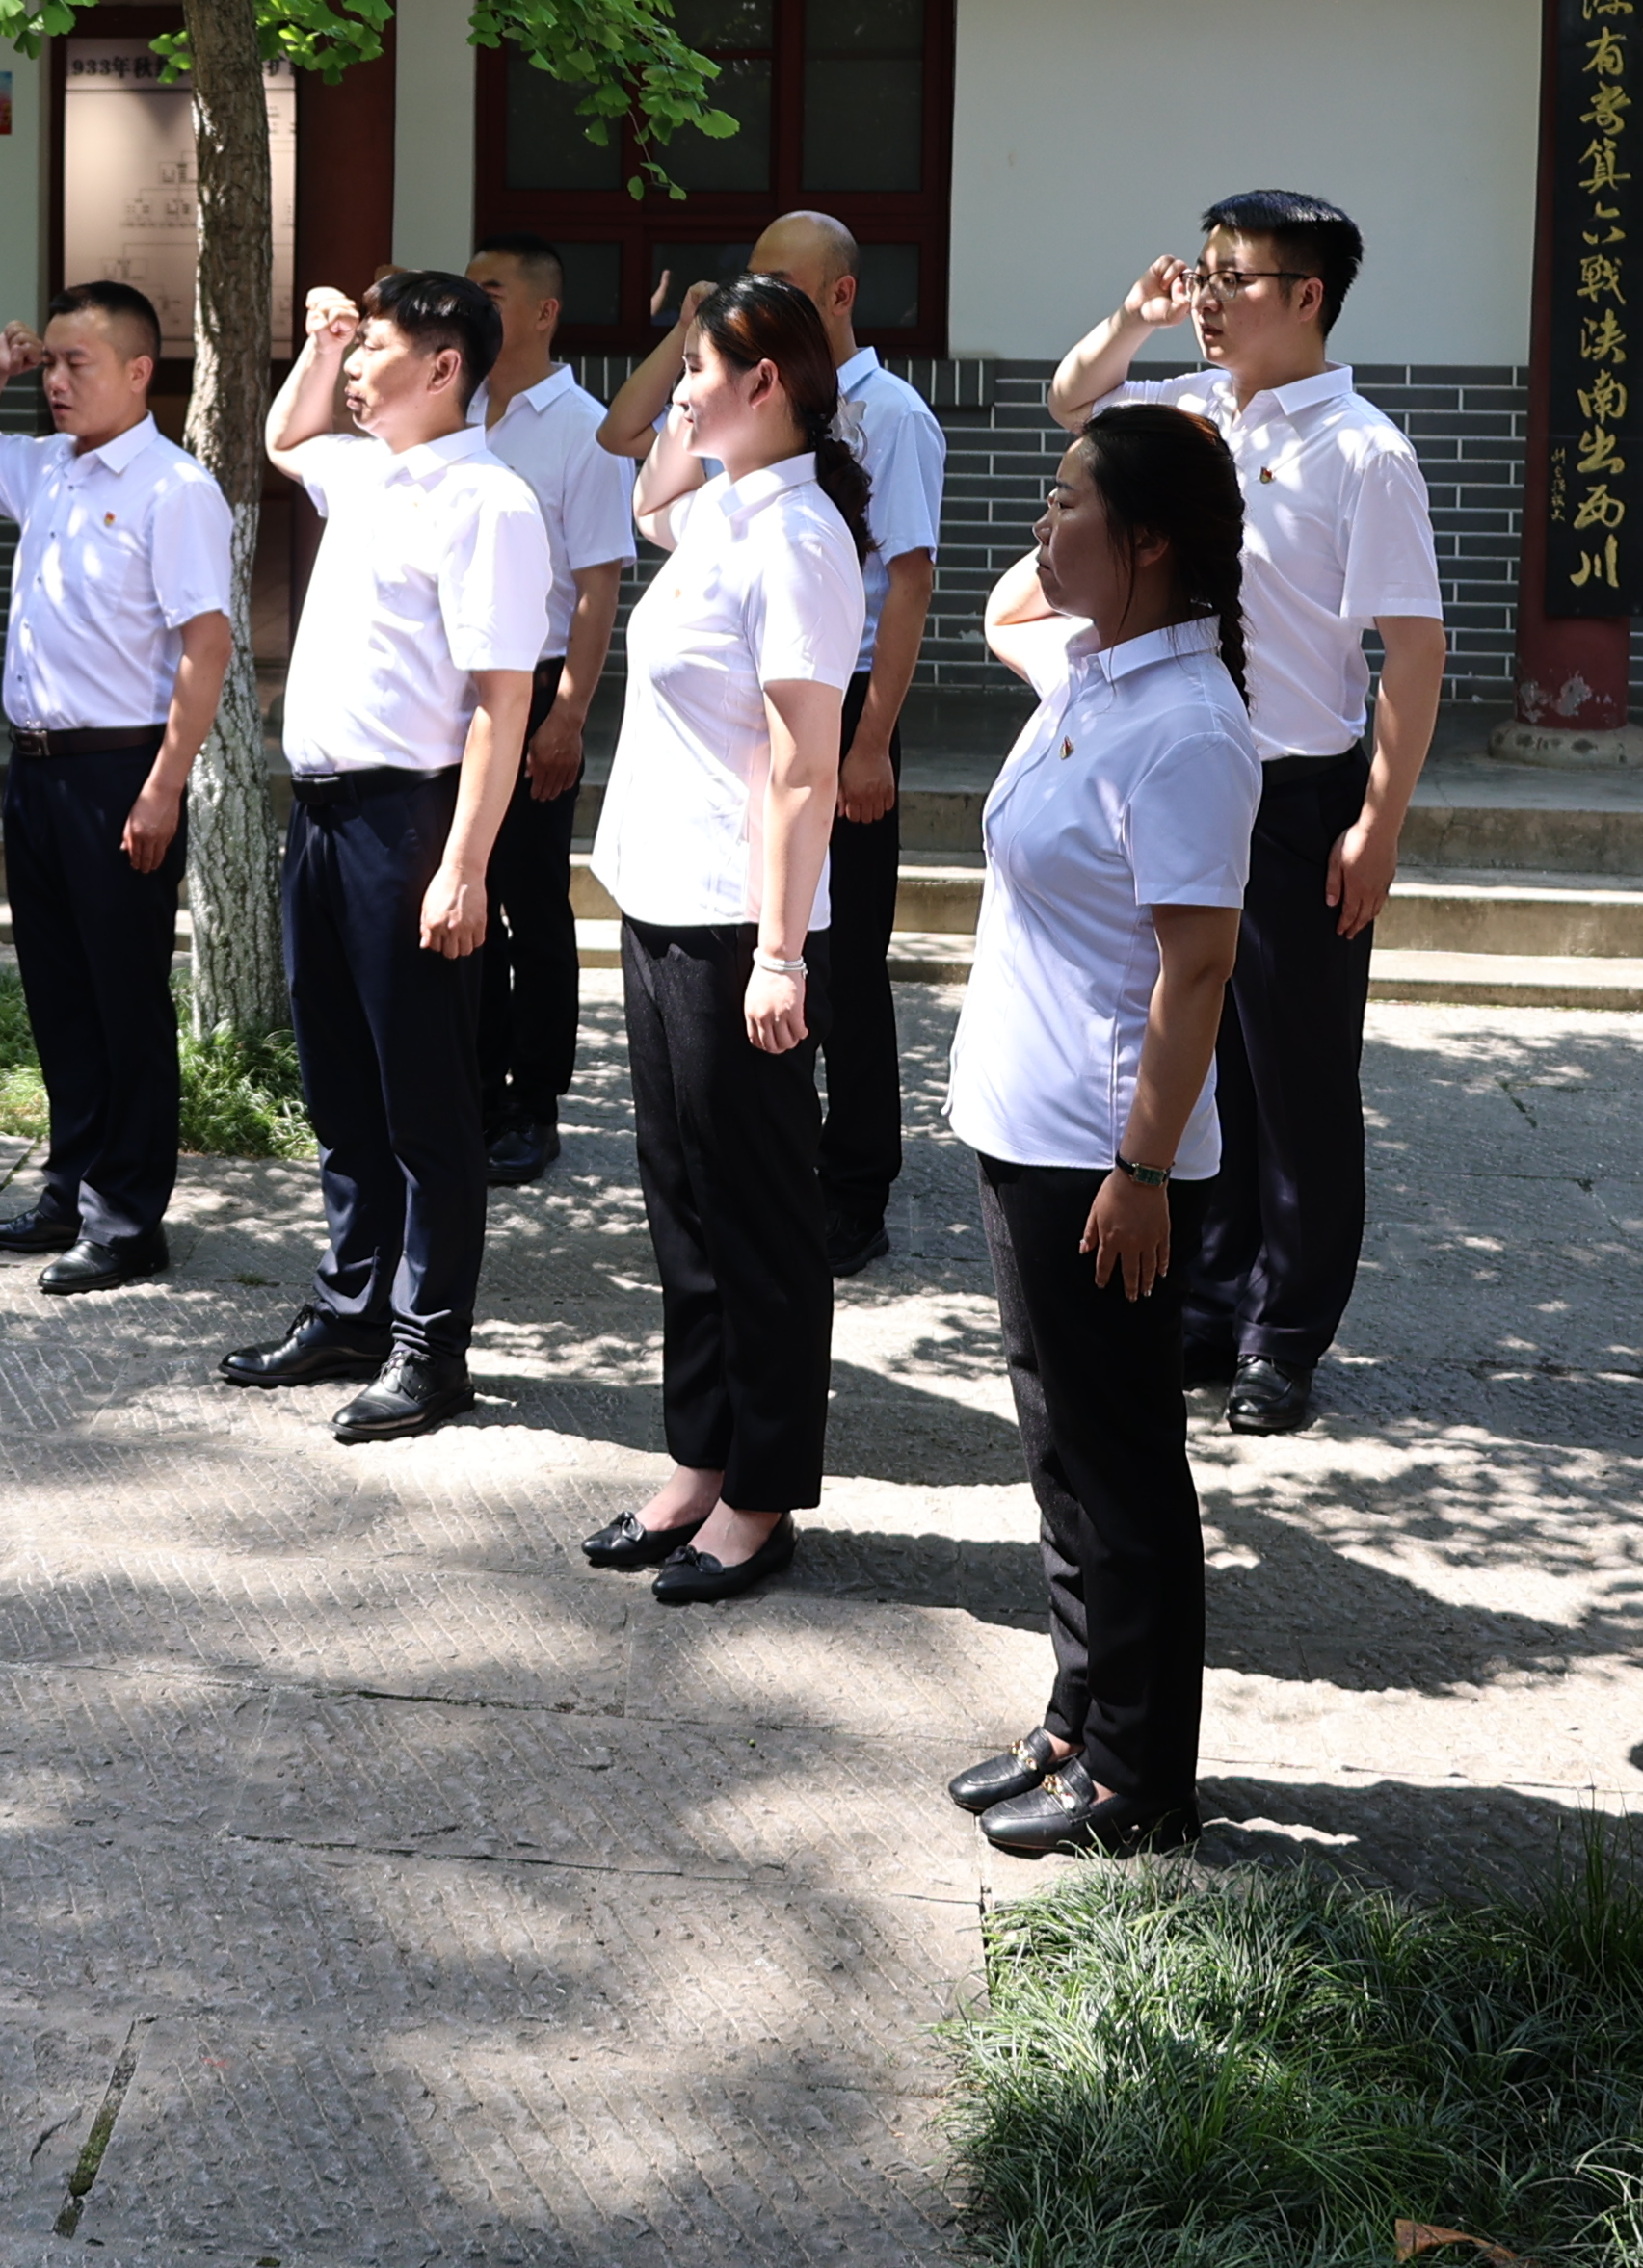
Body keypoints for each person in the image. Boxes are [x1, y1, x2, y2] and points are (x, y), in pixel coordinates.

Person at [1023, 189, 1444, 1435]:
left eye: (1235, 279)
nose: (1207, 298)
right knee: (1197, 1057)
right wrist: (1134, 318)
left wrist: (1380, 824)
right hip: (1185, 774)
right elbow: (1069, 402)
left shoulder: (1365, 452)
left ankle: (1285, 1333)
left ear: (1308, 296)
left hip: (1303, 792)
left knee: (1301, 1078)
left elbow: (1412, 657)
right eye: (1200, 273)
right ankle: (1206, 1304)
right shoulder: (1187, 413)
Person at [944, 405, 1256, 1859]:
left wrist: (1142, 1170)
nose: (1039, 526)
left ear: (1151, 544)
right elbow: (1023, 594)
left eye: (1068, 503)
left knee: (1122, 1463)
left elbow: (1198, 970)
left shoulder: (1188, 725)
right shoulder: (1093, 674)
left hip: (1100, 1153)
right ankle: (1080, 1714)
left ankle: (1142, 1779)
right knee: (1062, 1451)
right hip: (1031, 1124)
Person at [218, 272, 554, 1440]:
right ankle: (354, 1306)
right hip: (320, 818)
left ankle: (430, 1343)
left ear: (446, 365)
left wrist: (465, 863)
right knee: (340, 1085)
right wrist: (318, 346)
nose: (356, 369)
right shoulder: (363, 470)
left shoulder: (489, 502)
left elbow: (500, 704)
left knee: (425, 1102)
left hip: (409, 824)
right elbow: (284, 435)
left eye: (375, 349)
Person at [579, 274, 869, 1606]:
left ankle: (760, 1494)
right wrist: (674, 342)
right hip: (661, 900)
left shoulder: (798, 539)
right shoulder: (715, 506)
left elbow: (806, 767)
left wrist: (780, 951)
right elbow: (636, 480)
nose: (679, 387)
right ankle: (698, 1456)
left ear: (767, 385)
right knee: (681, 1203)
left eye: (703, 366)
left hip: (733, 924)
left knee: (755, 1216)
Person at [605, 214, 941, 1268]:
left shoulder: (865, 447)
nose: (754, 293)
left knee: (843, 972)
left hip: (826, 715)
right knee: (692, 1177)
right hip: (734, 782)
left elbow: (913, 585)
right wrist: (690, 375)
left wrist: (872, 737)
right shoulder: (733, 489)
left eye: (772, 288)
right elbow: (645, 485)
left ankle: (857, 1182)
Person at [0, 283, 236, 1294]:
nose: (57, 383)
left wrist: (164, 785)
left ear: (141, 372)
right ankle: (69, 1185)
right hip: (37, 768)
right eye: (50, 364)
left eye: (78, 365)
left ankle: (126, 1219)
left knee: (125, 1002)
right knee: (60, 997)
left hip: (121, 771)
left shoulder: (173, 487)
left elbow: (207, 644)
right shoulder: (48, 469)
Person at [461, 236, 641, 1185]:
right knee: (463, 891)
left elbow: (598, 587)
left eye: (490, 290)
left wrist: (567, 715)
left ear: (542, 311)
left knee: (531, 899)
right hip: (449, 692)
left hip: (530, 691)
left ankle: (534, 1103)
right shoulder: (453, 412)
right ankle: (474, 1085)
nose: (472, 303)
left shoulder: (583, 428)